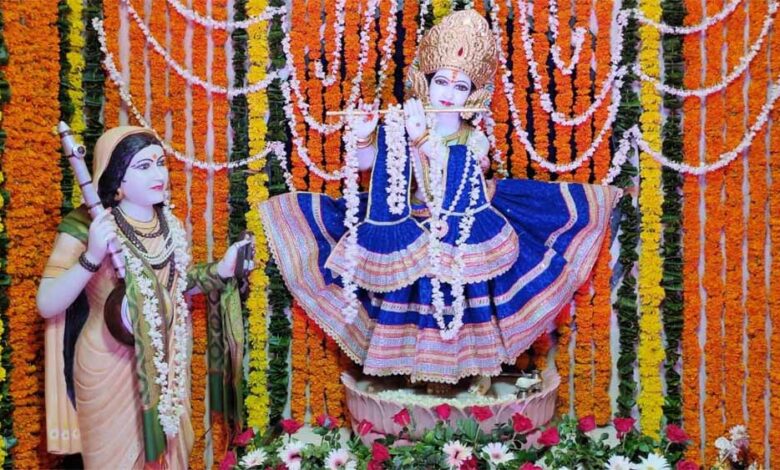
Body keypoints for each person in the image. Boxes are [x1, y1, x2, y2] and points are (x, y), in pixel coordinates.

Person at [260, 10, 621, 388]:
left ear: (472, 95)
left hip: (463, 232)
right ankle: (411, 376)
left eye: (460, 86)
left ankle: (470, 375)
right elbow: (367, 164)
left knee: (463, 305)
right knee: (410, 302)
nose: (448, 94)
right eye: (442, 82)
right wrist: (365, 135)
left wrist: (421, 138)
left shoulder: (473, 138)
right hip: (408, 227)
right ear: (426, 84)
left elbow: (461, 173)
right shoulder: (400, 126)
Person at [37, 126, 252, 468]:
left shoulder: (169, 225)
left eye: (161, 163)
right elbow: (47, 302)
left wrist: (222, 269)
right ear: (116, 180)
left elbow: (172, 290)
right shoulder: (87, 224)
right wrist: (92, 256)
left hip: (166, 363)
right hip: (108, 366)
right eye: (144, 166)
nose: (158, 174)